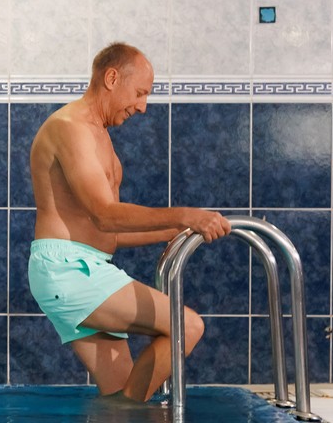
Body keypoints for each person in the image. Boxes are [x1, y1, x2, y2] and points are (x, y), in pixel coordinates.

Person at [28, 42, 230, 401]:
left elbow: (108, 231)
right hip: (68, 269)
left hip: (84, 265)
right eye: (139, 93)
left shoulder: (98, 134)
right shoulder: (70, 127)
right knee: (187, 326)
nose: (142, 106)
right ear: (111, 78)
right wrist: (185, 214)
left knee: (121, 395)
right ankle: (136, 421)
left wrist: (178, 231)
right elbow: (105, 213)